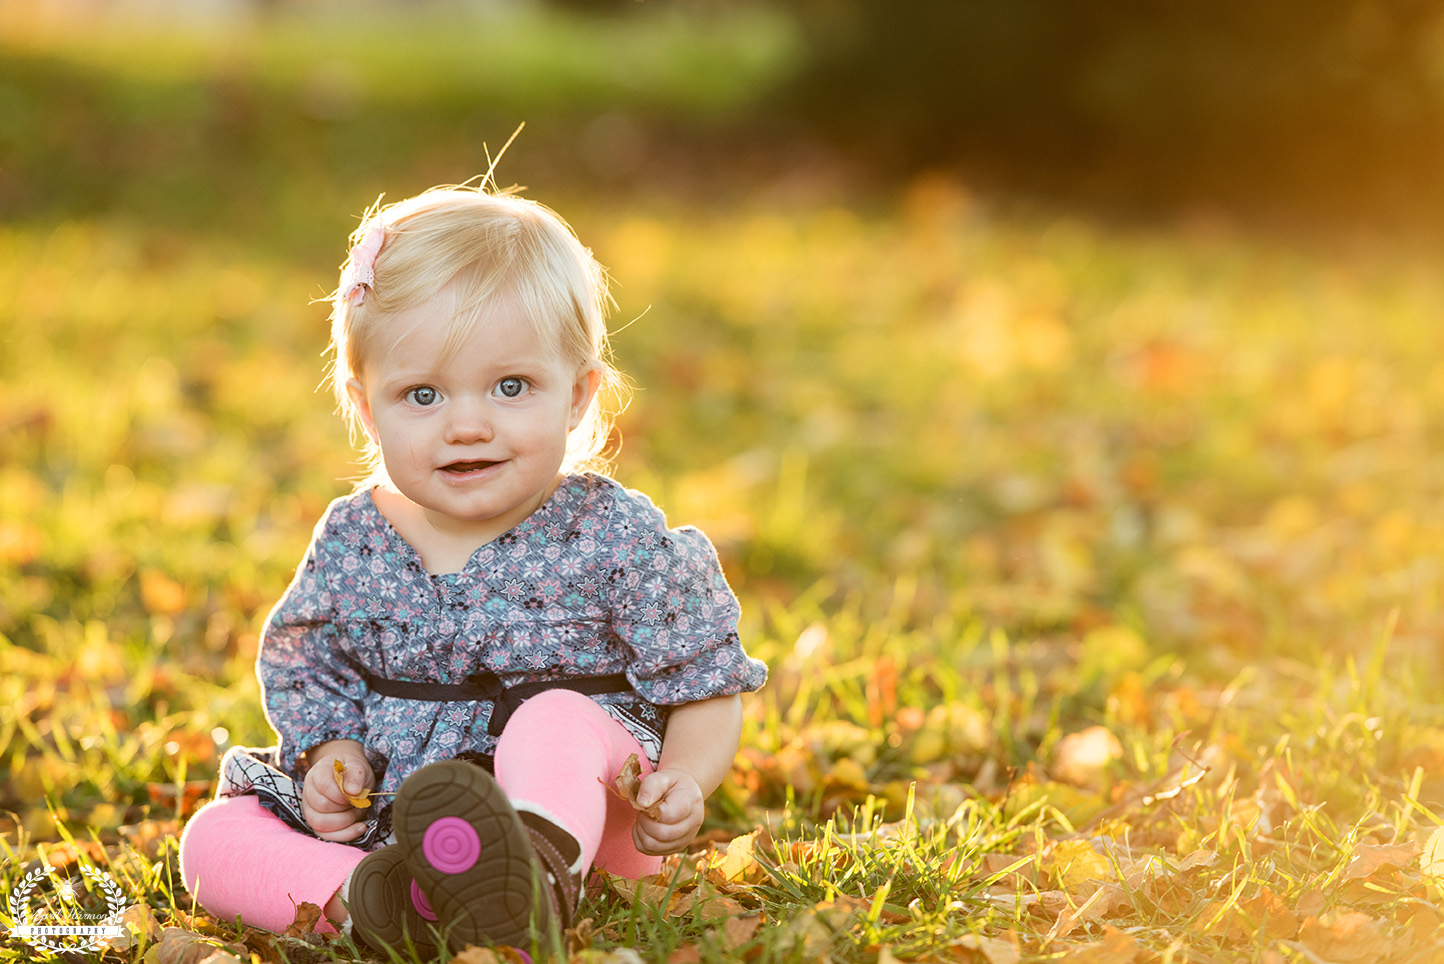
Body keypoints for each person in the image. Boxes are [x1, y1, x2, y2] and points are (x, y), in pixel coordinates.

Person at [177, 184, 768, 957]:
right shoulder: (354, 540)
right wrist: (331, 762)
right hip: (405, 822)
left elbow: (705, 683)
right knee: (213, 838)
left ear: (579, 395)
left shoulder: (614, 536)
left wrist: (682, 781)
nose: (466, 424)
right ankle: (380, 901)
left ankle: (528, 885)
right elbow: (313, 671)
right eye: (422, 394)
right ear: (364, 407)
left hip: (600, 827)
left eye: (510, 387)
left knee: (550, 718)